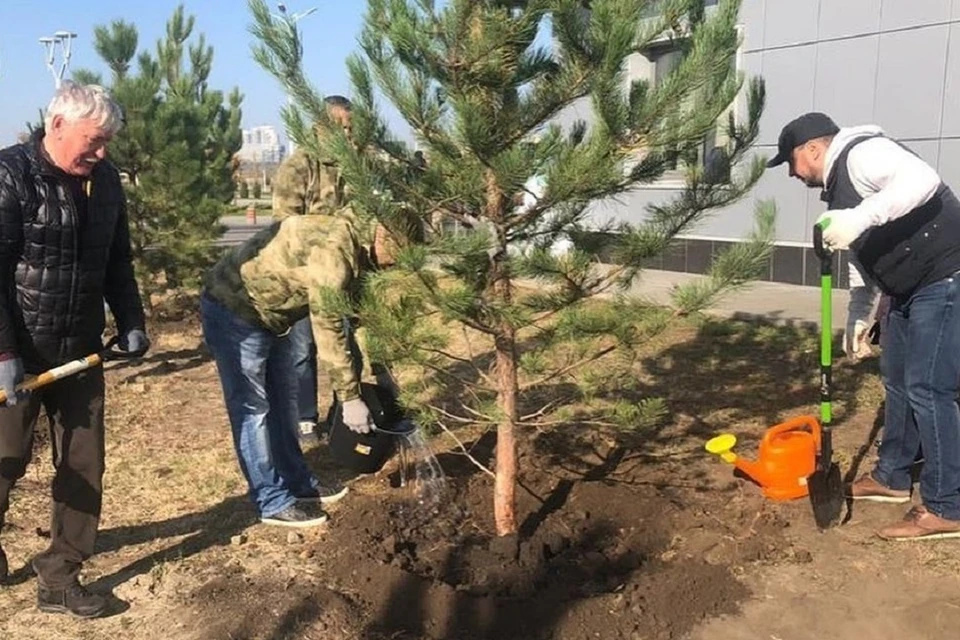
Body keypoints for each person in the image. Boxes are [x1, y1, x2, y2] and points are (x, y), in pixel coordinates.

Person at [767, 112, 960, 540]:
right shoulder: (838, 190)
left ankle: (948, 506)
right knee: (896, 381)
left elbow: (921, 181)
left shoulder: (863, 153)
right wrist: (860, 310)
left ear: (811, 150)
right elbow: (861, 255)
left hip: (945, 276)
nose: (792, 174)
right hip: (907, 289)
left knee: (930, 389)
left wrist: (860, 217)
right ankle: (892, 477)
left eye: (790, 163)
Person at [0, 81, 149, 617]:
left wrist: (131, 318)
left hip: (81, 351)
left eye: (107, 141)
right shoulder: (10, 175)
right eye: (94, 140)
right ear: (57, 125)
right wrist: (2, 353)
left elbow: (118, 260)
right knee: (5, 459)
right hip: (17, 351)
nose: (102, 152)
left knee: (84, 462)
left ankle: (61, 574)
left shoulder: (104, 182)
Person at [200, 196, 414, 528]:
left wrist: (384, 374)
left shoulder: (362, 248)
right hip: (235, 310)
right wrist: (350, 397)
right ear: (384, 237)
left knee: (285, 402)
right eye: (394, 260)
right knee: (253, 410)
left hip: (274, 315)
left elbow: (362, 317)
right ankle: (271, 501)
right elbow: (328, 323)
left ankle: (299, 483)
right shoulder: (336, 249)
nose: (393, 268)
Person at [270, 95, 354, 445]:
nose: (349, 135)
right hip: (305, 274)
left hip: (344, 272)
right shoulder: (299, 166)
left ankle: (344, 412)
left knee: (345, 343)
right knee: (303, 350)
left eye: (351, 128)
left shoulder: (352, 166)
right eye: (344, 128)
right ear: (323, 127)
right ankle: (306, 419)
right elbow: (284, 226)